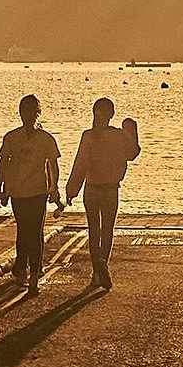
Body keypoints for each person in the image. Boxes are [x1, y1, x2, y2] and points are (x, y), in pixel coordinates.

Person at [0, 93, 64, 293]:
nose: (27, 116)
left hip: (35, 192)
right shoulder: (14, 138)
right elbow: (3, 164)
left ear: (35, 113)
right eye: (25, 112)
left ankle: (28, 272)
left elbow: (52, 166)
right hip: (19, 192)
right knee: (29, 232)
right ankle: (27, 271)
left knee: (28, 232)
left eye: (30, 112)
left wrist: (53, 187)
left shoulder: (43, 139)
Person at [67, 99, 141, 289]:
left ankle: (97, 268)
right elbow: (132, 153)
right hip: (110, 189)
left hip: (91, 189)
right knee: (107, 230)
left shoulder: (89, 136)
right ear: (112, 114)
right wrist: (130, 128)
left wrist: (71, 191)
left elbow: (80, 166)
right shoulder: (118, 136)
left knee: (94, 230)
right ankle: (100, 268)